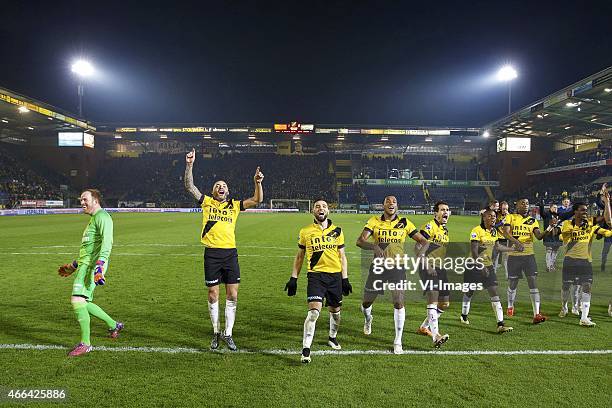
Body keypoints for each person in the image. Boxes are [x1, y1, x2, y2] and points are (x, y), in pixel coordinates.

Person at [184, 148, 264, 351]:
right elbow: (189, 186)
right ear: (213, 191)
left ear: (227, 191)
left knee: (233, 295)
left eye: (224, 185)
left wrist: (258, 182)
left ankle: (228, 334)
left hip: (230, 254)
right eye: (217, 185)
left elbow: (257, 200)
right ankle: (216, 332)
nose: (221, 187)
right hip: (212, 253)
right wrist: (190, 164)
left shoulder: (234, 205)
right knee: (213, 294)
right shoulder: (207, 203)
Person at [356, 195, 434, 353]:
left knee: (399, 301)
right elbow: (360, 241)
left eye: (394, 202)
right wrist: (374, 247)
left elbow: (424, 241)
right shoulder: (374, 221)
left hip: (397, 267)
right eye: (388, 201)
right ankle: (368, 319)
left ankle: (398, 341)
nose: (391, 204)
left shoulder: (405, 223)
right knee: (366, 303)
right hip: (378, 267)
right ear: (383, 205)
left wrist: (421, 255)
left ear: (397, 206)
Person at [57, 189, 123, 357]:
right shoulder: (93, 219)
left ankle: (86, 343)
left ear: (95, 200)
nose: (82, 203)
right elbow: (88, 250)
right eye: (80, 200)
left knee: (77, 299)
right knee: (82, 301)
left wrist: (99, 266)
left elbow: (107, 242)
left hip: (93, 266)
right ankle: (113, 324)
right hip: (86, 265)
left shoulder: (102, 217)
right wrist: (73, 266)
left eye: (85, 199)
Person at [285, 200, 351, 363]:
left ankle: (332, 337)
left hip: (335, 277)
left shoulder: (337, 231)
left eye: (324, 206)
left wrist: (345, 278)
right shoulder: (306, 231)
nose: (321, 208)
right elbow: (300, 256)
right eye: (317, 207)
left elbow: (342, 256)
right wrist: (294, 278)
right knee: (314, 312)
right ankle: (306, 349)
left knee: (335, 314)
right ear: (312, 211)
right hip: (316, 277)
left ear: (328, 211)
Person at [555, 192, 612, 325]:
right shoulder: (567, 225)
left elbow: (606, 219)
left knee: (587, 286)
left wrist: (607, 201)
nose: (586, 212)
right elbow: (564, 238)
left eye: (587, 210)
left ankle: (584, 317)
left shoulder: (591, 223)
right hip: (570, 260)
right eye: (583, 210)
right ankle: (564, 307)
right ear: (575, 212)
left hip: (585, 261)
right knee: (566, 286)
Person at [461, 209, 516, 333]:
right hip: (473, 265)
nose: (493, 218)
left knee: (494, 291)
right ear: (484, 218)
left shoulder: (494, 231)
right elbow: (474, 252)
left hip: (489, 265)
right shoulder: (476, 230)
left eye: (494, 216)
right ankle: (464, 315)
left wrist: (511, 249)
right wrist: (481, 267)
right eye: (490, 216)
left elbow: (497, 246)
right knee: (469, 292)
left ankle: (500, 324)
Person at [502, 198, 552, 324]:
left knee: (533, 282)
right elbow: (506, 233)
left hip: (529, 256)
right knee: (513, 284)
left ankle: (536, 314)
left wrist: (549, 228)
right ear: (517, 205)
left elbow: (539, 236)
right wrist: (517, 242)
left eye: (527, 203)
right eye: (522, 203)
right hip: (514, 256)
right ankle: (510, 306)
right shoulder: (511, 217)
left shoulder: (533, 220)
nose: (525, 205)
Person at [416, 201, 450, 340]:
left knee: (445, 303)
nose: (445, 212)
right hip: (427, 266)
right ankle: (436, 335)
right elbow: (418, 247)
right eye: (442, 210)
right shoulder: (430, 226)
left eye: (447, 210)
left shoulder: (444, 230)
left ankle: (424, 327)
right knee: (433, 299)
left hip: (440, 268)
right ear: (435, 213)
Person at [539, 202, 562, 272]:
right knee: (549, 251)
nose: (555, 209)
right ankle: (549, 266)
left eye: (556, 208)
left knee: (555, 250)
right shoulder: (547, 214)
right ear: (550, 208)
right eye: (554, 207)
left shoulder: (558, 216)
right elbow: (542, 213)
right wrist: (541, 206)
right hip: (548, 236)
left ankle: (551, 265)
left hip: (556, 236)